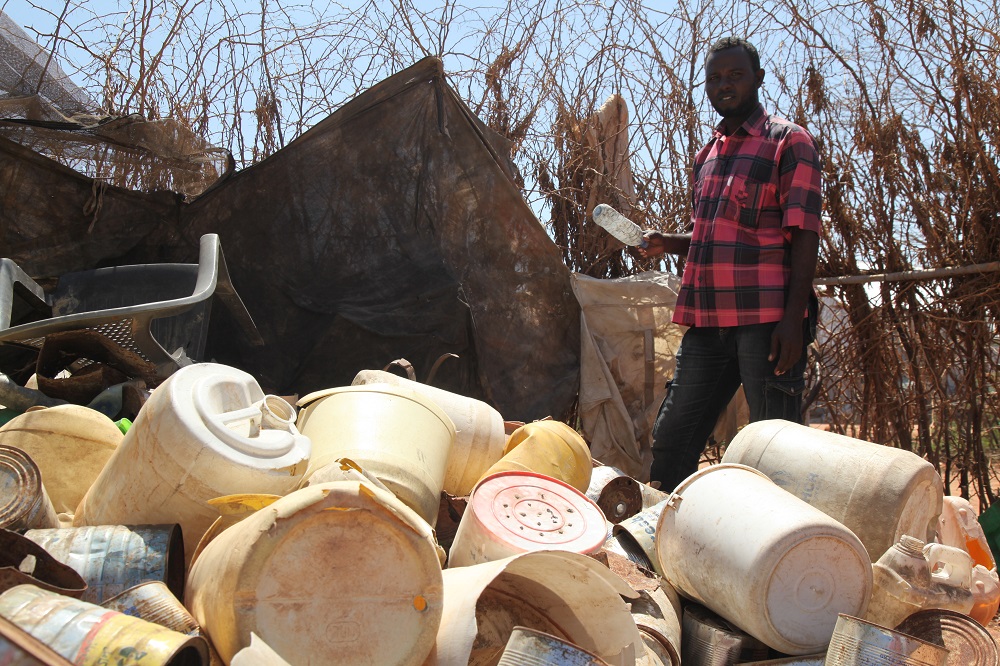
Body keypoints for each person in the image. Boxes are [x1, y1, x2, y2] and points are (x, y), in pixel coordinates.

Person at [637, 36, 822, 492]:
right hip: (707, 320)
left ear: (758, 79)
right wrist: (670, 242)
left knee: (773, 449)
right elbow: (717, 232)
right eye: (715, 78)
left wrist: (793, 320)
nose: (725, 86)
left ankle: (779, 550)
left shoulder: (787, 142)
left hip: (766, 321)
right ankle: (664, 537)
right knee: (673, 436)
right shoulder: (708, 155)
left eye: (735, 76)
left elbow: (804, 235)